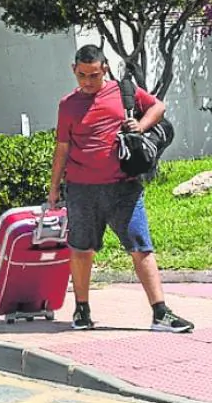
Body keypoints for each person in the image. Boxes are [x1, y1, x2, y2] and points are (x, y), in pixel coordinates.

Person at [48, 45, 194, 333]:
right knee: (81, 249)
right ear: (73, 70)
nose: (87, 81)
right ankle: (81, 310)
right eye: (81, 75)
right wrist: (54, 188)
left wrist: (140, 126)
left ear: (104, 69)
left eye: (93, 75)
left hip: (123, 188)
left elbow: (158, 107)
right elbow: (62, 147)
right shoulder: (67, 104)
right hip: (81, 189)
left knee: (141, 248)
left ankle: (160, 313)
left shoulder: (123, 91)